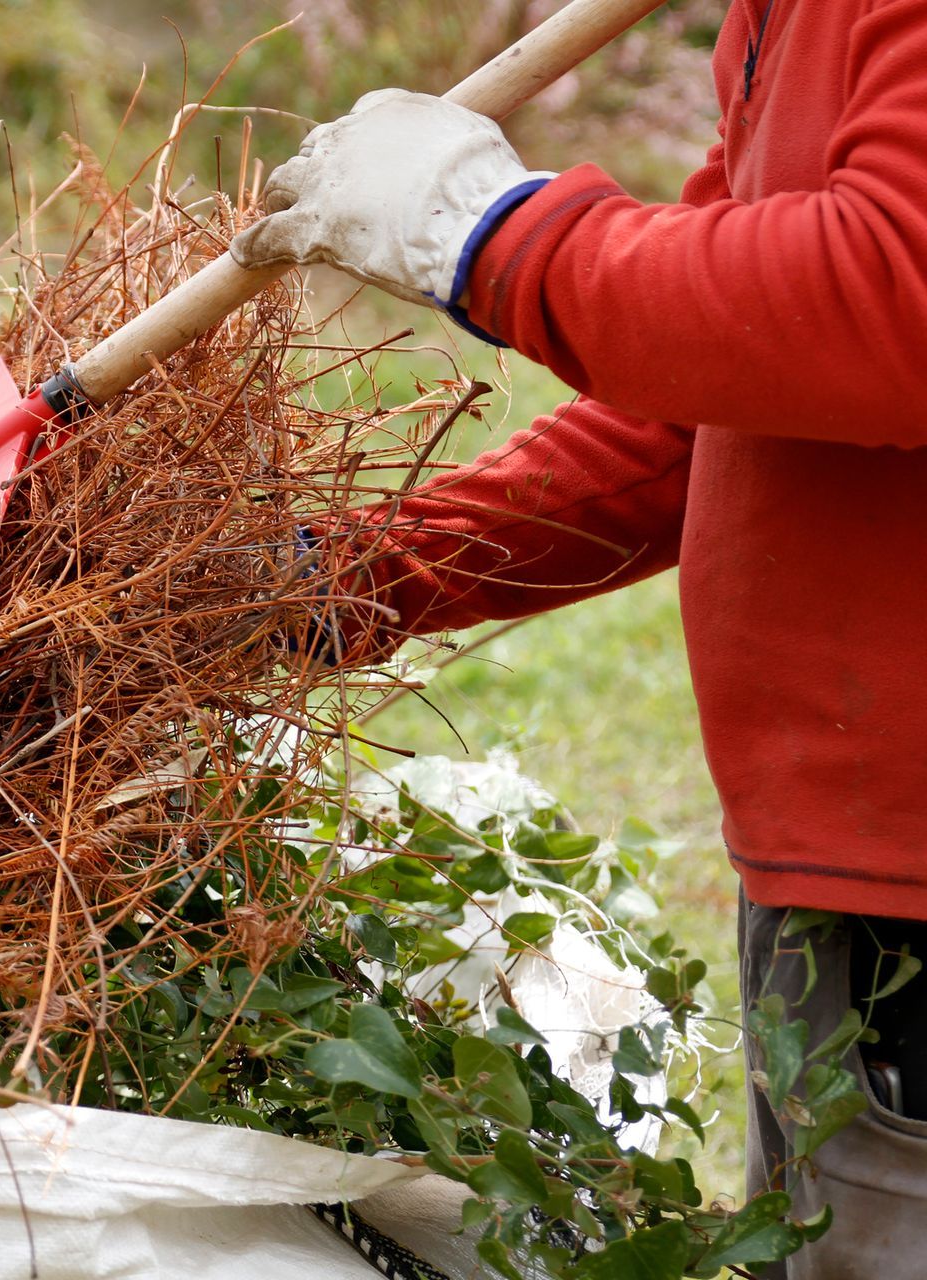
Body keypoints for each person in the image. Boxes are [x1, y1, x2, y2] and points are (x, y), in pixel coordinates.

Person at [231, 3, 927, 1275]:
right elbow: (720, 394)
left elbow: (894, 293)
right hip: (840, 881)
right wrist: (338, 575)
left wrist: (497, 234)